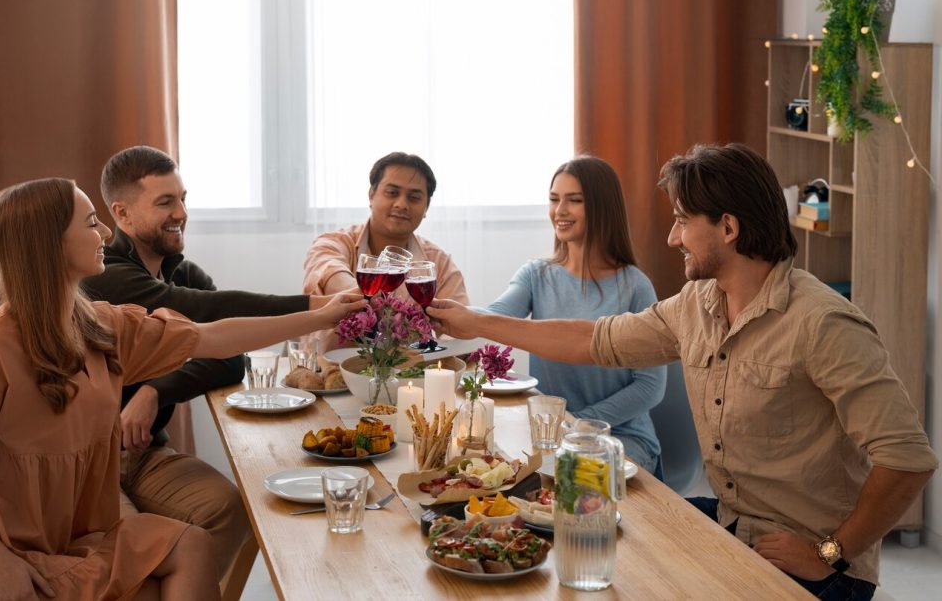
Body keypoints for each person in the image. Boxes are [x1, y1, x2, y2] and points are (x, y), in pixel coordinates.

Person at [429, 143, 938, 600]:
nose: (673, 237)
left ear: (729, 228)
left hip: (815, 559)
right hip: (735, 523)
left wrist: (831, 551)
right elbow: (594, 339)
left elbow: (907, 459)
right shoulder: (697, 303)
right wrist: (478, 322)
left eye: (682, 220)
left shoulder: (823, 323)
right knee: (596, 536)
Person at [0, 177, 363, 600]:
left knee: (191, 546)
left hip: (72, 543)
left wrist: (321, 316)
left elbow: (213, 335)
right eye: (91, 222)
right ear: (49, 242)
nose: (106, 232)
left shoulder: (99, 325)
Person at [81, 146, 343, 585]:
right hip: (90, 464)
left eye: (183, 199)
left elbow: (230, 358)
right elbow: (207, 310)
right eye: (165, 202)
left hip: (143, 454)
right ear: (122, 214)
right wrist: (318, 307)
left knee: (229, 510)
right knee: (128, 561)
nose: (181, 213)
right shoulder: (107, 274)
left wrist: (154, 391)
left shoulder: (182, 271)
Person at [483, 157, 665, 474]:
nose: (560, 210)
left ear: (601, 207)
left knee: (571, 490)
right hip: (556, 438)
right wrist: (433, 309)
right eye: (554, 200)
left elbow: (650, 387)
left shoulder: (636, 287)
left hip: (620, 439)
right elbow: (491, 318)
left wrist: (579, 421)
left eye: (574, 200)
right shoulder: (535, 275)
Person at [303, 151, 469, 350]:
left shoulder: (438, 263)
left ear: (426, 208)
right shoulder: (334, 243)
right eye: (392, 193)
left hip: (409, 376)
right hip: (330, 374)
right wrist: (363, 297)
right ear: (371, 195)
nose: (401, 204)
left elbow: (459, 333)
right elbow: (330, 273)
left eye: (414, 197)